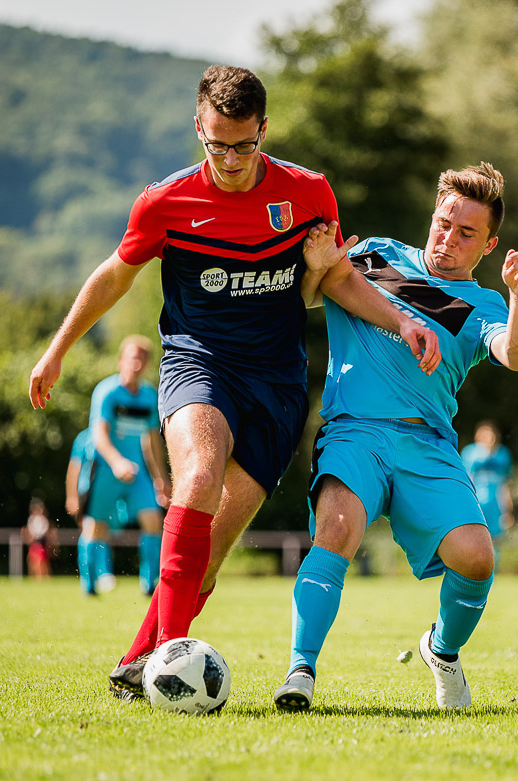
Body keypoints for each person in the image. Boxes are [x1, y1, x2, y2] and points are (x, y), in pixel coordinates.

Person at [28, 65, 439, 702]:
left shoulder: (308, 193)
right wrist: (57, 351)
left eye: (244, 146)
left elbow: (334, 278)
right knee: (197, 477)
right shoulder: (165, 201)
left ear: (264, 132)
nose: (230, 160)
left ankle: (142, 661)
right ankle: (169, 657)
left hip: (278, 384)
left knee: (212, 549)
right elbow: (115, 274)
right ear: (198, 128)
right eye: (216, 145)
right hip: (199, 364)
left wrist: (401, 321)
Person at [273, 161, 518, 712]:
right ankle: (301, 670)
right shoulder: (377, 253)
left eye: (467, 233)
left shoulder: (483, 304)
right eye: (444, 222)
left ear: (488, 245)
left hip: (427, 443)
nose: (449, 238)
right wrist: (317, 266)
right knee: (336, 529)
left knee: (477, 558)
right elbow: (307, 294)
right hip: (354, 430)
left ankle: (441, 651)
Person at [82, 336, 169, 596]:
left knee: (153, 520)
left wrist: (161, 477)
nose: (137, 362)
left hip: (138, 473)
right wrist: (117, 462)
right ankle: (89, 585)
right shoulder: (106, 392)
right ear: (121, 360)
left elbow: (152, 441)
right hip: (105, 471)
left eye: (142, 358)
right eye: (132, 356)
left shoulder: (149, 396)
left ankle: (149, 585)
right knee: (96, 527)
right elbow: (99, 435)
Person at [66, 427, 117, 594]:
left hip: (106, 491)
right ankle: (88, 582)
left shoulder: (113, 434)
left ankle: (102, 575)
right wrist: (72, 496)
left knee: (102, 531)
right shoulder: (84, 437)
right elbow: (74, 468)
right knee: (90, 529)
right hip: (88, 491)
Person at [460, 420, 514, 546]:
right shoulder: (470, 453)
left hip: (496, 504)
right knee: (474, 537)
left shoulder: (503, 455)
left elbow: (505, 483)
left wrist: (509, 509)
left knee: (495, 540)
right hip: (476, 502)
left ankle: (493, 565)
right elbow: (465, 480)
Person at [22, 498, 58, 580]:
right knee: (32, 561)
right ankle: (34, 578)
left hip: (41, 542)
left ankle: (44, 577)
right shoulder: (31, 519)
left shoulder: (43, 520)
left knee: (42, 562)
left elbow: (44, 532)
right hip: (34, 543)